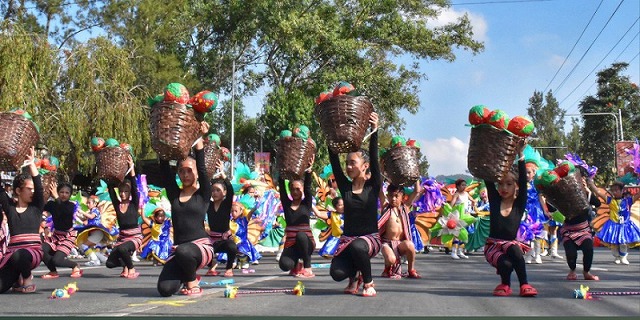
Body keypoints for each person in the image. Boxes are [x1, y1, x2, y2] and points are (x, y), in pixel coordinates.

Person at [156, 121, 214, 297]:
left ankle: (192, 282)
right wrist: (163, 138)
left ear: (195, 173)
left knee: (184, 250)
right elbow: (165, 170)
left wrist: (199, 138)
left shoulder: (203, 193)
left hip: (201, 248)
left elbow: (203, 169)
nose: (186, 175)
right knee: (165, 290)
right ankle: (187, 275)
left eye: (189, 170)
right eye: (182, 171)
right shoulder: (174, 194)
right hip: (180, 251)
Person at [328, 112, 382, 297]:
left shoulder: (373, 185)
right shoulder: (345, 187)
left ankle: (368, 283)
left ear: (364, 165)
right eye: (347, 163)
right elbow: (334, 161)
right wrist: (331, 134)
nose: (348, 167)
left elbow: (375, 158)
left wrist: (374, 130)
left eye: (353, 163)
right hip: (348, 240)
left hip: (370, 239)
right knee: (336, 273)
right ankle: (354, 277)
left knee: (358, 246)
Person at [483, 149, 538, 297]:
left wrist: (521, 155)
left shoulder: (519, 204)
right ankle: (505, 284)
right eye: (500, 184)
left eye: (508, 184)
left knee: (514, 250)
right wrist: (488, 155)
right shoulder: (495, 200)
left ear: (516, 186)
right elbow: (488, 180)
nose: (504, 188)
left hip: (511, 245)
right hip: (493, 246)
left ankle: (524, 284)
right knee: (505, 265)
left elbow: (523, 180)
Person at [0, 147, 44, 293]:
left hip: (32, 254)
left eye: (32, 189)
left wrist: (32, 164)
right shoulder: (10, 208)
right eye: (28, 189)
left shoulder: (36, 207)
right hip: (12, 255)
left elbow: (39, 188)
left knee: (20, 255)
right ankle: (17, 279)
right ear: (18, 191)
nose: (32, 192)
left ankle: (27, 278)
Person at [278, 154, 316, 278]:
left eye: (298, 189)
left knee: (301, 236)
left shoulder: (307, 203)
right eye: (293, 189)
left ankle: (307, 267)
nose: (295, 192)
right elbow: (282, 188)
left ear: (302, 190)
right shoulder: (287, 203)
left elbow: (309, 188)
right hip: (291, 244)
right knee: (284, 265)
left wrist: (309, 171)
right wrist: (281, 168)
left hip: (306, 243)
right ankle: (295, 266)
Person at [106, 154, 142, 279]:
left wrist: (131, 166)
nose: (123, 194)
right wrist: (108, 171)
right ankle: (126, 265)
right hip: (122, 238)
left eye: (126, 191)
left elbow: (134, 184)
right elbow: (110, 189)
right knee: (109, 263)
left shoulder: (134, 203)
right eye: (121, 191)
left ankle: (131, 269)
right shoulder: (117, 204)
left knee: (122, 249)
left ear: (130, 192)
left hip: (134, 237)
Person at [587, 179, 640, 265]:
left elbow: (638, 194)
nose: (614, 192)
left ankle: (623, 256)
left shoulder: (628, 201)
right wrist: (591, 183)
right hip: (613, 225)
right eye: (613, 190)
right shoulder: (610, 200)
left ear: (622, 191)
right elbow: (598, 192)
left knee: (623, 243)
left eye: (617, 190)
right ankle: (616, 257)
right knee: (613, 243)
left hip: (625, 225)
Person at [561, 173, 601, 281]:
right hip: (569, 230)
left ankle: (586, 272)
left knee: (588, 248)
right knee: (571, 253)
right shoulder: (564, 194)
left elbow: (597, 203)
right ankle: (572, 270)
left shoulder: (585, 193)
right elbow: (552, 208)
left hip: (583, 229)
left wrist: (587, 190)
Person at [378, 182, 423, 279]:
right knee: (391, 259)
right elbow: (379, 190)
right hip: (387, 243)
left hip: (400, 244)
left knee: (410, 245)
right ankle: (387, 268)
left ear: (402, 197)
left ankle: (411, 270)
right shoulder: (385, 206)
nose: (393, 199)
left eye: (396, 196)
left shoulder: (405, 207)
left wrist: (415, 178)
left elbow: (417, 191)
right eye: (390, 196)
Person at [41, 181, 83, 279]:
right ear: (57, 192)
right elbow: (41, 207)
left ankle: (74, 265)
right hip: (56, 235)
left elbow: (64, 211)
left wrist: (56, 197)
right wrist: (46, 194)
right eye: (61, 192)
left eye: (67, 193)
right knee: (40, 250)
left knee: (57, 261)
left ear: (70, 195)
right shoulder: (53, 204)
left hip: (67, 236)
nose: (64, 195)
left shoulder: (71, 205)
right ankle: (53, 271)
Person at [205, 159, 238, 277]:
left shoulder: (226, 204)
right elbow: (203, 190)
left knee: (232, 247)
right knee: (201, 249)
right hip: (212, 239)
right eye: (213, 190)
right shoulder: (208, 205)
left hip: (225, 239)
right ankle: (212, 266)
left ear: (224, 193)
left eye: (218, 190)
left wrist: (223, 174)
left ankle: (229, 268)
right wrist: (208, 174)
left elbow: (230, 190)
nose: (214, 193)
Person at [523, 161, 553, 263]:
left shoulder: (537, 185)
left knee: (538, 233)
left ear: (534, 173)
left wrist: (545, 210)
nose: (527, 175)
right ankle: (528, 254)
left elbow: (541, 198)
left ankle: (537, 254)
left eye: (529, 172)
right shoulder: (521, 184)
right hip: (526, 210)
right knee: (527, 233)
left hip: (536, 210)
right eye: (525, 173)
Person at [449, 179, 476, 259]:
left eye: (465, 185)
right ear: (457, 186)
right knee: (457, 234)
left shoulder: (466, 194)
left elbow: (473, 200)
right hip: (458, 216)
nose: (464, 186)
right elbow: (451, 204)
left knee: (464, 234)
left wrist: (472, 205)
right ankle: (454, 252)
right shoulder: (457, 194)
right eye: (462, 185)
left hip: (466, 216)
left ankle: (461, 251)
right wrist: (450, 212)